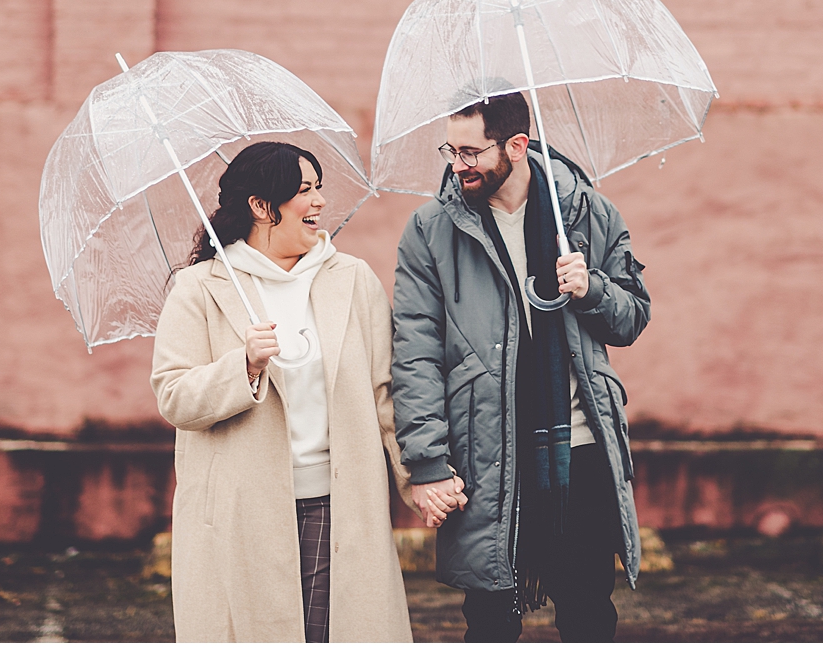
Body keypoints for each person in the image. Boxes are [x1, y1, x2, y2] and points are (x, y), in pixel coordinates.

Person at [391, 91, 651, 642]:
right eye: (450, 150)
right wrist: (427, 463)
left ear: (516, 145)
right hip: (484, 455)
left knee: (587, 612)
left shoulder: (586, 212)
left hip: (579, 450)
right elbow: (415, 354)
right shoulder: (431, 230)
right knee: (490, 620)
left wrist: (592, 290)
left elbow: (631, 318)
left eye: (470, 151)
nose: (456, 165)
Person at [151, 141, 414, 643]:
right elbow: (174, 396)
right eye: (304, 190)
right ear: (260, 206)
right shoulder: (200, 288)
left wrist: (418, 478)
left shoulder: (352, 280)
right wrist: (243, 365)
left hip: (335, 502)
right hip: (238, 511)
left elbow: (387, 394)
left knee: (325, 634)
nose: (318, 202)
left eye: (319, 189)